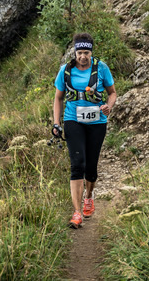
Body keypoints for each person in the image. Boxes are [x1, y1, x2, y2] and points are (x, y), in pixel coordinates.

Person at [52, 32, 117, 228]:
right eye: (79, 52)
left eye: (86, 52)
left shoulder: (101, 68)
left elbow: (112, 93)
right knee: (77, 163)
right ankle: (77, 212)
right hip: (73, 120)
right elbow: (58, 98)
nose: (82, 56)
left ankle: (89, 195)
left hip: (97, 122)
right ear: (74, 52)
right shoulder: (66, 71)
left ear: (91, 52)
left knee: (91, 167)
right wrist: (57, 123)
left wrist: (109, 106)